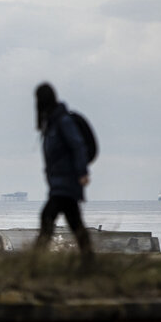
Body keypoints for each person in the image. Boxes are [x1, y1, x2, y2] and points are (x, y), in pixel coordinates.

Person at [33, 82, 93, 260]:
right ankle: (89, 261)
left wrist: (82, 173)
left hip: (67, 183)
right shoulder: (51, 124)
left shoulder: (63, 121)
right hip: (59, 183)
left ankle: (34, 262)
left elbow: (78, 146)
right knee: (75, 223)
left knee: (47, 217)